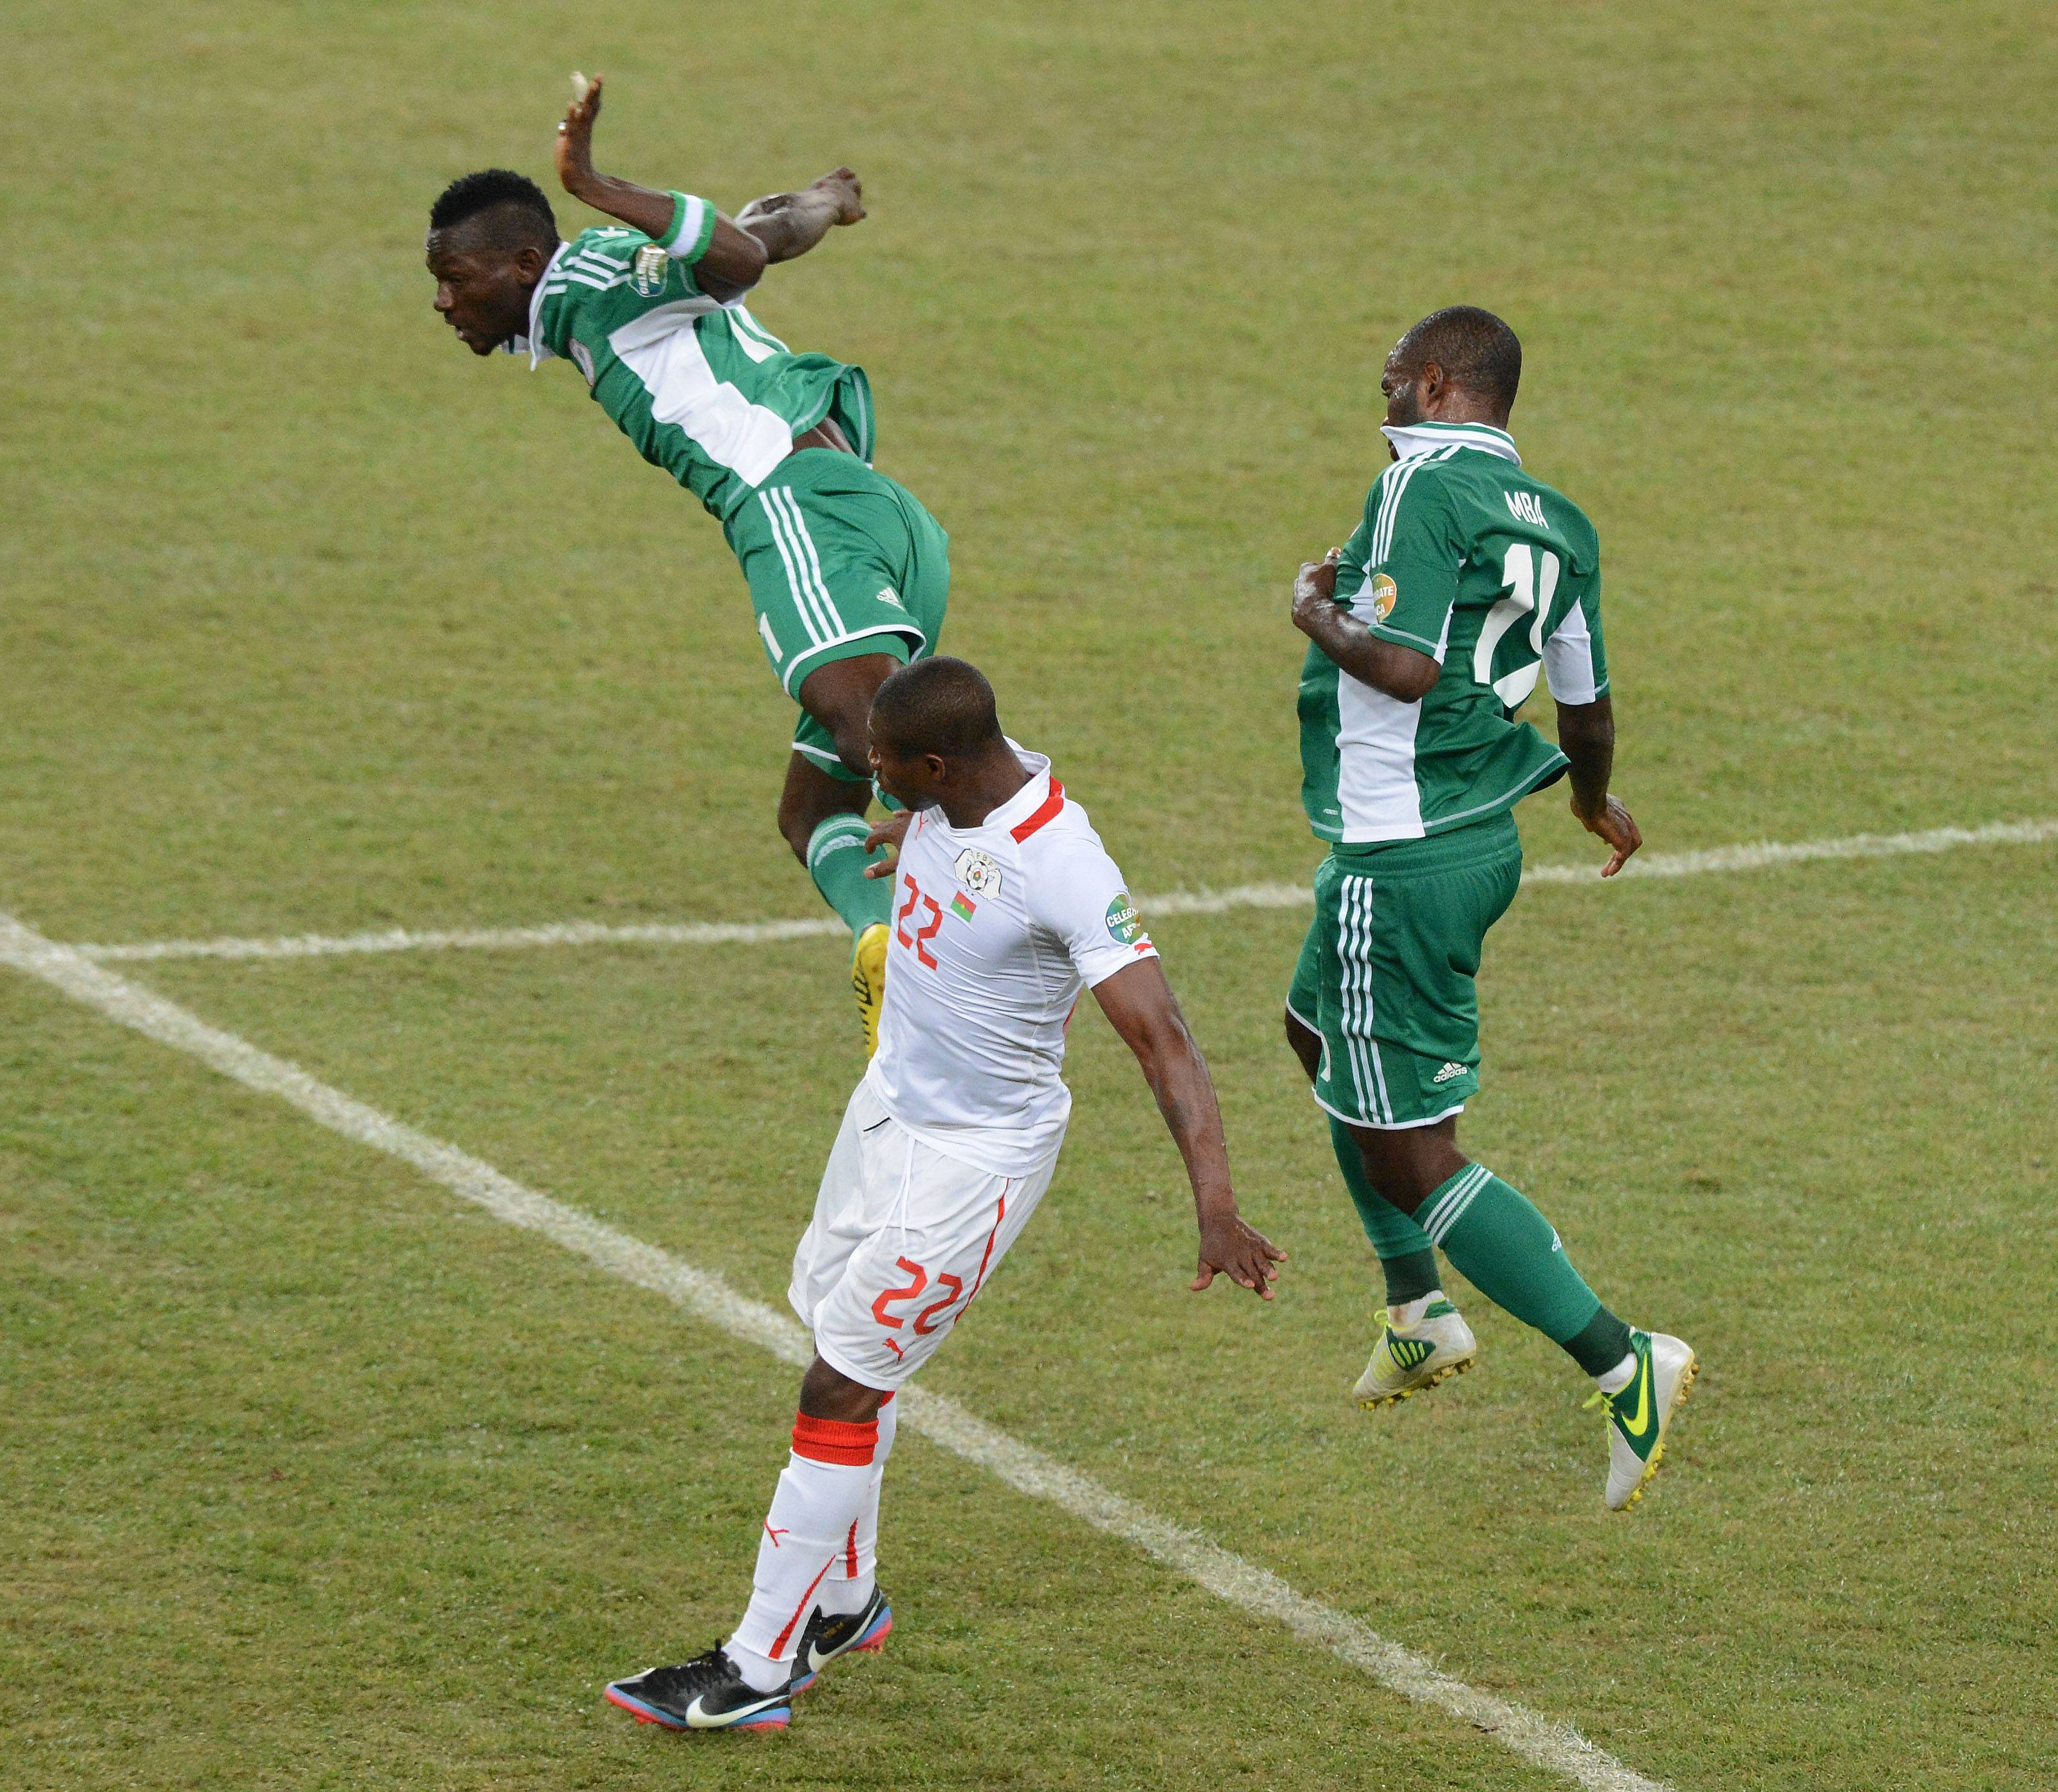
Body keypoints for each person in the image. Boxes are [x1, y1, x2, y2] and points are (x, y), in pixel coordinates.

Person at [604, 657, 1283, 1730]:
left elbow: (1167, 1041)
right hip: (887, 1115)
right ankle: (846, 1603)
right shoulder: (950, 799)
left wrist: (1216, 1206)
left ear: (934, 763)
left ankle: (758, 1667)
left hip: (973, 1168)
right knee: (836, 1341)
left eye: (879, 761)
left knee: (839, 1385)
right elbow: (951, 847)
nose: (863, 769)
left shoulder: (1061, 862)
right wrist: (912, 831)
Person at [424, 75, 945, 1057]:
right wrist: (824, 202)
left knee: (885, 740)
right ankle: (888, 943)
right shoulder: (625, 286)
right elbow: (758, 237)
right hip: (879, 516)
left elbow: (737, 255)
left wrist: (592, 183)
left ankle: (1007, 907)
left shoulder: (583, 281)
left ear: (525, 263)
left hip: (792, 505)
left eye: (457, 277)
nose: (445, 301)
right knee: (816, 810)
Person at [1284, 305, 1693, 1511]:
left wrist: (1315, 614)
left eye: (1392, 377)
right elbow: (1588, 707)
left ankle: (1621, 1359)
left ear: (1437, 383)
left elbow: (1405, 666)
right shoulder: (1559, 520)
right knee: (1313, 1029)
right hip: (1473, 839)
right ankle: (1417, 1308)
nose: (1381, 397)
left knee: (1416, 1151)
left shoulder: (1417, 483)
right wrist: (1593, 803)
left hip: (1401, 854)